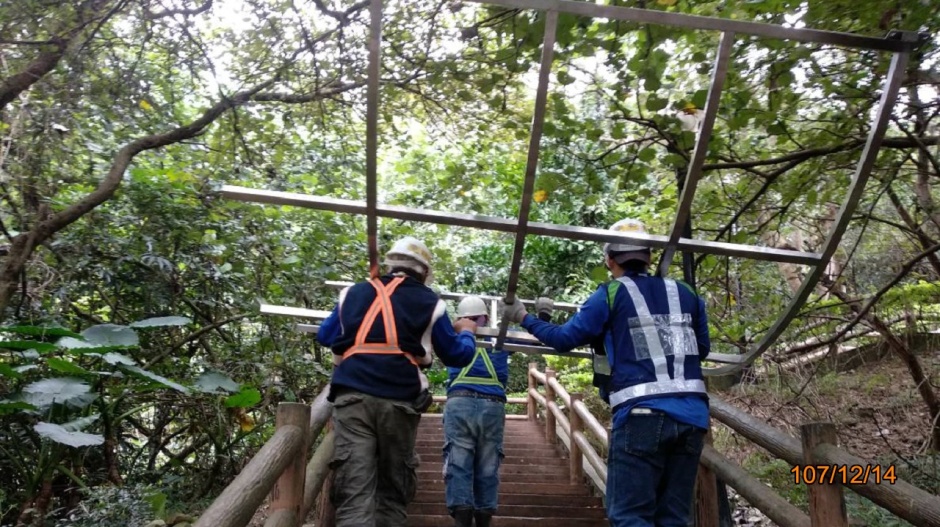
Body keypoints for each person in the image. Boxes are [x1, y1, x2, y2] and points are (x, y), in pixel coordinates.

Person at [502, 218, 711, 527]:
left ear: (609, 259)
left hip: (642, 414)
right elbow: (701, 348)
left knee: (630, 516)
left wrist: (524, 317)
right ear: (650, 256)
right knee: (674, 518)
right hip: (693, 418)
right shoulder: (686, 293)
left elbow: (564, 339)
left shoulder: (611, 294)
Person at [317, 236, 478, 527]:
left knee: (355, 490)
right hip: (398, 400)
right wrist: (467, 331)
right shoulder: (432, 303)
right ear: (425, 273)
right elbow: (457, 356)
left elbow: (326, 336)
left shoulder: (352, 293)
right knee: (392, 490)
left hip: (351, 396)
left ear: (389, 264)